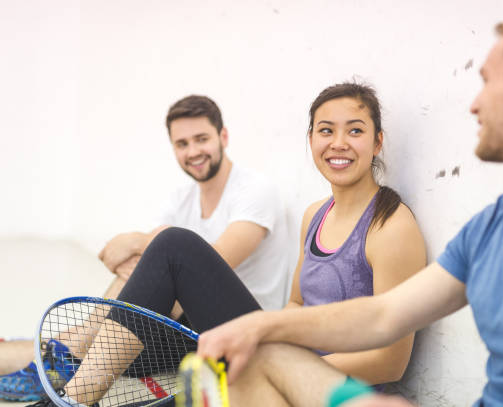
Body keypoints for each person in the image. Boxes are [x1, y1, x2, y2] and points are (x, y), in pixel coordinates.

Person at [194, 12, 503, 407]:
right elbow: (384, 314)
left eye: (486, 81)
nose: (473, 104)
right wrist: (260, 327)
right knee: (257, 360)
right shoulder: (492, 224)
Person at [28, 82, 427, 407]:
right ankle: (72, 397)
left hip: (328, 390)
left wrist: (286, 369)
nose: (338, 142)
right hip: (279, 362)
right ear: (311, 140)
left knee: (174, 247)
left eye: (355, 130)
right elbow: (297, 307)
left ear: (377, 142)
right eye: (326, 130)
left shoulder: (391, 226)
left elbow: (390, 361)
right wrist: (262, 347)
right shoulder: (316, 214)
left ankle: (70, 399)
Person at [0, 95, 289, 401]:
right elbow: (128, 261)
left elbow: (203, 264)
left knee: (169, 245)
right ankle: (60, 356)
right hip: (189, 332)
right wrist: (145, 253)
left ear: (223, 136)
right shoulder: (182, 198)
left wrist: (138, 240)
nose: (193, 151)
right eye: (182, 143)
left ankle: (67, 361)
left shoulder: (256, 191)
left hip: (242, 330)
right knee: (101, 342)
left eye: (201, 139)